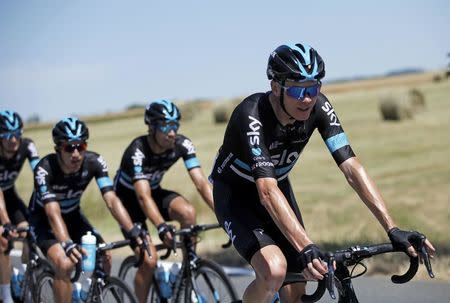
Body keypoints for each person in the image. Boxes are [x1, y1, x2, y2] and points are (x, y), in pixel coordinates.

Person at [210, 43, 436, 303]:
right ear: (275, 87)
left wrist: (392, 227)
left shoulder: (319, 107)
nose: (307, 98)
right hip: (237, 197)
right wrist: (306, 246)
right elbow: (266, 191)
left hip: (278, 190)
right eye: (297, 89)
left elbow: (351, 166)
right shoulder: (251, 115)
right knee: (274, 271)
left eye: (313, 88)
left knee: (296, 287)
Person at [28, 117, 147, 303]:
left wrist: (132, 230)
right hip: (43, 220)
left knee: (104, 255)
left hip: (73, 216)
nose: (76, 153)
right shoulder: (44, 169)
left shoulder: (95, 162)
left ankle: (90, 295)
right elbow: (52, 212)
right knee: (65, 264)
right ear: (58, 148)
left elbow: (112, 200)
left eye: (80, 147)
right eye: (69, 148)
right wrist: (66, 243)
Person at [114, 99, 214, 303]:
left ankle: (188, 275)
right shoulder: (137, 151)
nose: (172, 132)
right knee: (149, 260)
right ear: (152, 128)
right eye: (166, 126)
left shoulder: (181, 144)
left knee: (188, 213)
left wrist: (224, 213)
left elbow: (201, 183)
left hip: (154, 192)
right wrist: (160, 227)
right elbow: (142, 196)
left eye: (175, 125)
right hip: (128, 203)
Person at [0, 110, 39, 303]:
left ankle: (21, 278)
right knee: (4, 241)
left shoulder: (27, 146)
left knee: (28, 233)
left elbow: (40, 175)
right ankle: (6, 296)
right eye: (7, 135)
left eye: (17, 134)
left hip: (10, 195)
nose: (13, 139)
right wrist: (6, 222)